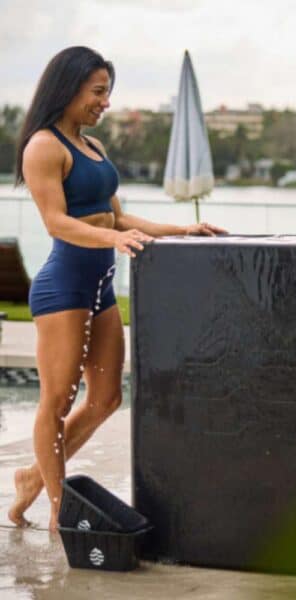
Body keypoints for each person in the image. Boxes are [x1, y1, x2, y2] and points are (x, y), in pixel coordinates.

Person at [8, 46, 225, 532]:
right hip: (63, 288)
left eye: (108, 92)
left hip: (100, 287)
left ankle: (33, 479)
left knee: (106, 398)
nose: (105, 102)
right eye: (98, 92)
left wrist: (177, 230)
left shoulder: (94, 147)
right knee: (57, 401)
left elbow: (119, 217)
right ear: (69, 88)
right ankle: (61, 509)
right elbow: (57, 222)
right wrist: (114, 237)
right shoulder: (44, 146)